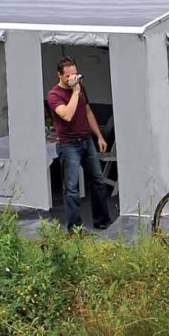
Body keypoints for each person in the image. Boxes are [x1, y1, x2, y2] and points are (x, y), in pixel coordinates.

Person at [47, 56, 112, 234]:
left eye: (75, 74)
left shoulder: (81, 89)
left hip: (86, 140)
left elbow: (88, 111)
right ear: (59, 75)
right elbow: (66, 115)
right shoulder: (54, 95)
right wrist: (75, 92)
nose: (73, 78)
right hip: (68, 145)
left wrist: (98, 136)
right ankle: (75, 229)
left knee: (98, 181)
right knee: (71, 188)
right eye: (69, 76)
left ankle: (102, 221)